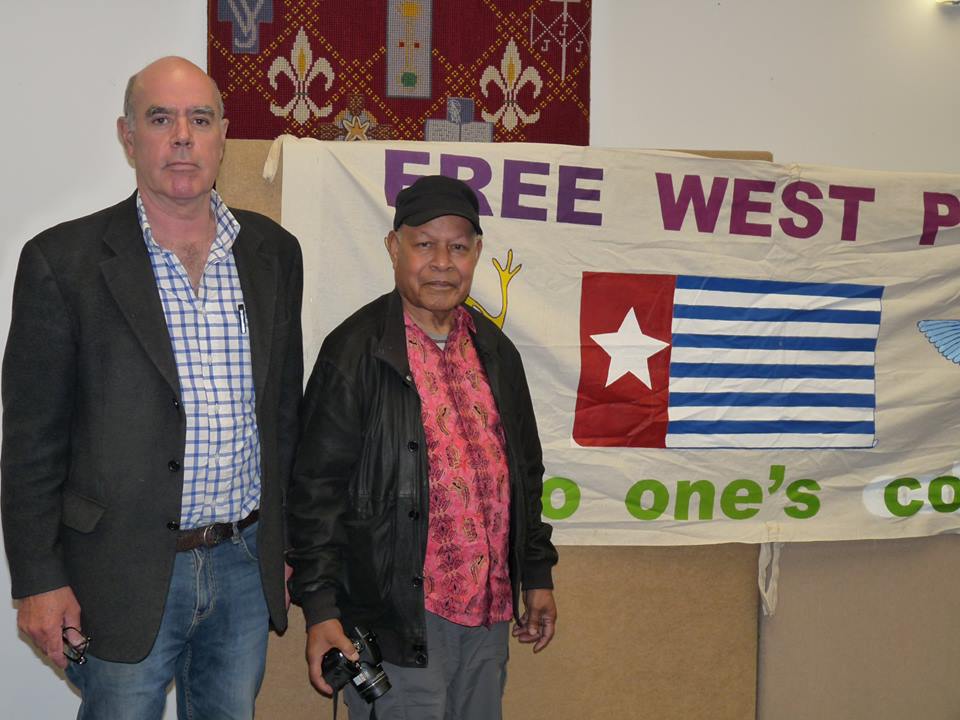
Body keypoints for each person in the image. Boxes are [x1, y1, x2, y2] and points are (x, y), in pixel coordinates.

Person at [0, 56, 303, 719]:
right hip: (119, 571)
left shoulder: (274, 254)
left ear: (223, 133)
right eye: (161, 119)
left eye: (200, 119)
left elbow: (283, 415)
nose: (183, 137)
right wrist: (40, 580)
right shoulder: (63, 262)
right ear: (128, 135)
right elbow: (30, 443)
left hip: (243, 563)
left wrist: (283, 544)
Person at [288, 175, 558, 719]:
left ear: (476, 254)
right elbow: (314, 491)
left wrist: (536, 575)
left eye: (457, 247)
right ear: (394, 248)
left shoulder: (496, 352)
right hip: (395, 619)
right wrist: (320, 607)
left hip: (488, 613)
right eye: (425, 244)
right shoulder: (355, 353)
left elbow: (525, 474)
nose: (442, 263)